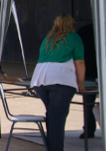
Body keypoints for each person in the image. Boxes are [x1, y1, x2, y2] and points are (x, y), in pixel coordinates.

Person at [31, 14, 86, 151]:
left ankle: (51, 147)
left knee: (52, 115)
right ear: (71, 24)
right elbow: (80, 62)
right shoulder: (74, 37)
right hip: (61, 79)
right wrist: (81, 83)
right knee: (57, 118)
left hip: (40, 79)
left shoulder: (48, 39)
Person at [76, 24, 106, 139]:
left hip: (90, 72)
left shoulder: (83, 30)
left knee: (89, 104)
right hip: (103, 71)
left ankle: (89, 130)